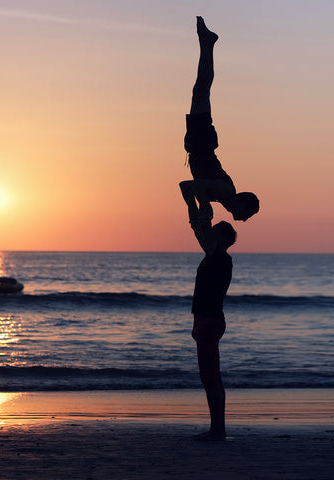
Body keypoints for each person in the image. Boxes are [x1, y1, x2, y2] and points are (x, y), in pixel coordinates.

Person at [180, 16, 259, 224]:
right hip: (202, 144)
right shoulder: (224, 192)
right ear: (242, 203)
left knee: (201, 89)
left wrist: (196, 210)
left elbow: (186, 186)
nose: (244, 219)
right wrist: (203, 205)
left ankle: (207, 43)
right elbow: (192, 186)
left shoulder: (222, 197)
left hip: (200, 145)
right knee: (201, 89)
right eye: (247, 214)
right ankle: (207, 43)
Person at [180, 180, 236, 441]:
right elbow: (198, 228)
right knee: (209, 376)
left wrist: (199, 204)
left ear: (223, 240)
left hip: (210, 322)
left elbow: (200, 227)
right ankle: (217, 429)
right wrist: (192, 203)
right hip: (204, 321)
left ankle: (218, 430)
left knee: (211, 377)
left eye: (215, 232)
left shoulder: (220, 258)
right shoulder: (212, 256)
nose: (209, 234)